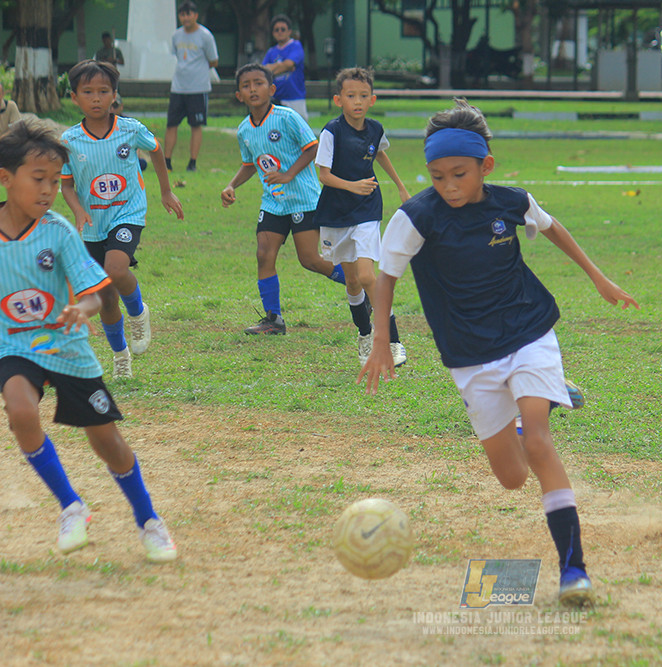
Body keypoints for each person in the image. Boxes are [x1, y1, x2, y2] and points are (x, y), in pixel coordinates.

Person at [358, 100, 639, 606]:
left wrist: (598, 277)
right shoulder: (415, 217)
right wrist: (382, 339)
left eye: (459, 174)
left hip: (528, 330)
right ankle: (540, 399)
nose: (449, 186)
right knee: (511, 479)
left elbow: (552, 228)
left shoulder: (510, 201)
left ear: (485, 165)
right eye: (438, 176)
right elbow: (385, 279)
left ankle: (574, 572)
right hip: (469, 354)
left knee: (539, 443)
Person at [0, 119, 177, 563]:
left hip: (68, 347)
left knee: (108, 442)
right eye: (37, 179)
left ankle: (149, 520)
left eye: (56, 182)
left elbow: (97, 295)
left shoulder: (58, 231)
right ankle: (70, 506)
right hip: (15, 346)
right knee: (21, 409)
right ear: (5, 178)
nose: (48, 191)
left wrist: (82, 309)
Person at [60, 60, 184, 379]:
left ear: (115, 95)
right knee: (105, 296)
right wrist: (77, 210)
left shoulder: (130, 129)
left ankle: (139, 312)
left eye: (104, 91)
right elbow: (66, 184)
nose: (97, 98)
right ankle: (120, 355)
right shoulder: (70, 141)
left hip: (127, 213)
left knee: (117, 269)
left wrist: (166, 191)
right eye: (88, 92)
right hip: (92, 225)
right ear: (74, 97)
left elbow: (156, 151)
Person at [220, 64, 346, 335]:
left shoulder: (287, 117)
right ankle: (273, 319)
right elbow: (250, 164)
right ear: (239, 95)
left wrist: (289, 174)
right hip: (273, 202)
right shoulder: (244, 129)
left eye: (258, 83)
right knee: (264, 254)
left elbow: (312, 147)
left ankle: (359, 286)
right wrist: (231, 185)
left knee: (310, 260)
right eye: (246, 85)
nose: (252, 89)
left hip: (303, 200)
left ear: (272, 89)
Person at [315, 67, 410, 367]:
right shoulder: (331, 132)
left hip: (368, 208)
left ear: (373, 99)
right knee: (353, 282)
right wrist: (351, 185)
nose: (357, 101)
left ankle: (393, 342)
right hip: (336, 211)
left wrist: (400, 186)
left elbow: (380, 153)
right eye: (351, 95)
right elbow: (324, 175)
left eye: (363, 96)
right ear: (338, 100)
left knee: (369, 275)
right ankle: (365, 334)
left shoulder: (376, 129)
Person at [165, 1, 219, 172]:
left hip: (198, 88)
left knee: (196, 125)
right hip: (178, 87)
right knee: (171, 124)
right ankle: (167, 161)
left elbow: (214, 60)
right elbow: (175, 55)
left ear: (195, 15)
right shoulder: (176, 35)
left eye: (189, 14)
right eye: (182, 14)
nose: (186, 18)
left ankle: (192, 162)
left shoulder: (205, 36)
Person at [262, 14, 308, 120]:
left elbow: (289, 64)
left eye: (283, 29)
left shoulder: (296, 46)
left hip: (295, 97)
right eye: (276, 30)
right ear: (273, 33)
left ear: (289, 31)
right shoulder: (271, 52)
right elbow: (263, 72)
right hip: (277, 98)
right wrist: (281, 66)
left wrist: (273, 68)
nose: (280, 32)